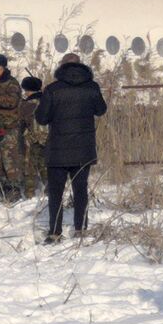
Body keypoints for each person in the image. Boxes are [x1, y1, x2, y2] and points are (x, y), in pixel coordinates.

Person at [35, 53, 107, 241]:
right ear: (80, 65)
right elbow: (101, 110)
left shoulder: (52, 89)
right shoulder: (92, 87)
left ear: (61, 66)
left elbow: (41, 119)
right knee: (80, 190)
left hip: (57, 150)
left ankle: (55, 232)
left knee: (56, 193)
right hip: (84, 149)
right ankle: (80, 229)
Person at [0, 53, 23, 198]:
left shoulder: (12, 83)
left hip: (9, 129)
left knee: (10, 162)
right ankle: (4, 192)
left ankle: (14, 193)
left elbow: (11, 102)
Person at [17, 76, 46, 198]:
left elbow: (20, 125)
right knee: (46, 168)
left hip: (31, 141)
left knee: (29, 170)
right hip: (49, 141)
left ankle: (29, 195)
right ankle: (53, 194)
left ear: (28, 90)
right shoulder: (49, 101)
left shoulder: (25, 105)